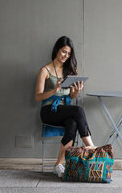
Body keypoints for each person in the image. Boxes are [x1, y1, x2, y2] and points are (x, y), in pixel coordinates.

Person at [35, 36, 94, 178]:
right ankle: (91, 147)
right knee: (78, 110)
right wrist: (54, 91)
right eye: (63, 52)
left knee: (73, 123)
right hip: (49, 111)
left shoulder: (70, 70)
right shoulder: (45, 70)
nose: (65, 56)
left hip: (65, 111)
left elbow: (72, 96)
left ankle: (58, 165)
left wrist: (77, 91)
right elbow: (37, 97)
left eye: (68, 54)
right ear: (57, 50)